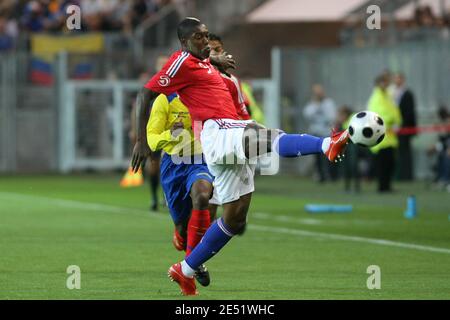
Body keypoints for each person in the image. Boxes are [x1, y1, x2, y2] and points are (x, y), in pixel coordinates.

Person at [131, 17, 349, 295]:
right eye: (199, 37)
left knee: (235, 218)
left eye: (207, 36)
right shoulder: (181, 61)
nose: (206, 42)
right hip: (215, 131)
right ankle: (325, 145)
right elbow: (145, 93)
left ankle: (185, 270)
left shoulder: (212, 70)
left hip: (227, 136)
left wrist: (213, 63)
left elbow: (222, 90)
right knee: (265, 135)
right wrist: (140, 140)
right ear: (184, 42)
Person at [147, 91, 218, 287]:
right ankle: (182, 238)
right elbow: (152, 139)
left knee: (203, 195)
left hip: (200, 161)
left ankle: (192, 266)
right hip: (173, 166)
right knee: (183, 229)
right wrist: (171, 134)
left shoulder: (206, 95)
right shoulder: (165, 100)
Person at [368, 73, 402, 193]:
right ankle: (382, 187)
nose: (386, 84)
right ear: (378, 83)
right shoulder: (376, 97)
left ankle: (387, 185)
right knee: (383, 164)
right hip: (381, 137)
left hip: (390, 136)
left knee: (390, 164)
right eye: (384, 82)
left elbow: (394, 110)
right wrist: (392, 120)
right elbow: (379, 114)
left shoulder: (387, 95)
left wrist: (396, 120)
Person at [303, 84, 338, 182]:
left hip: (327, 134)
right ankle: (321, 176)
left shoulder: (329, 103)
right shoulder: (312, 104)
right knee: (318, 158)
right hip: (316, 134)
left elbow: (331, 117)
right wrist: (317, 105)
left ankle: (331, 176)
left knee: (329, 156)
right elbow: (307, 115)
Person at [393, 72, 417, 181]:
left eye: (399, 78)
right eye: (395, 78)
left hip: (405, 128)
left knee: (405, 152)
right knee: (398, 152)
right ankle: (399, 174)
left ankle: (407, 176)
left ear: (403, 80)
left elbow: (409, 112)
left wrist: (402, 125)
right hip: (395, 128)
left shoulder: (408, 93)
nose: (397, 80)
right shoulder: (392, 92)